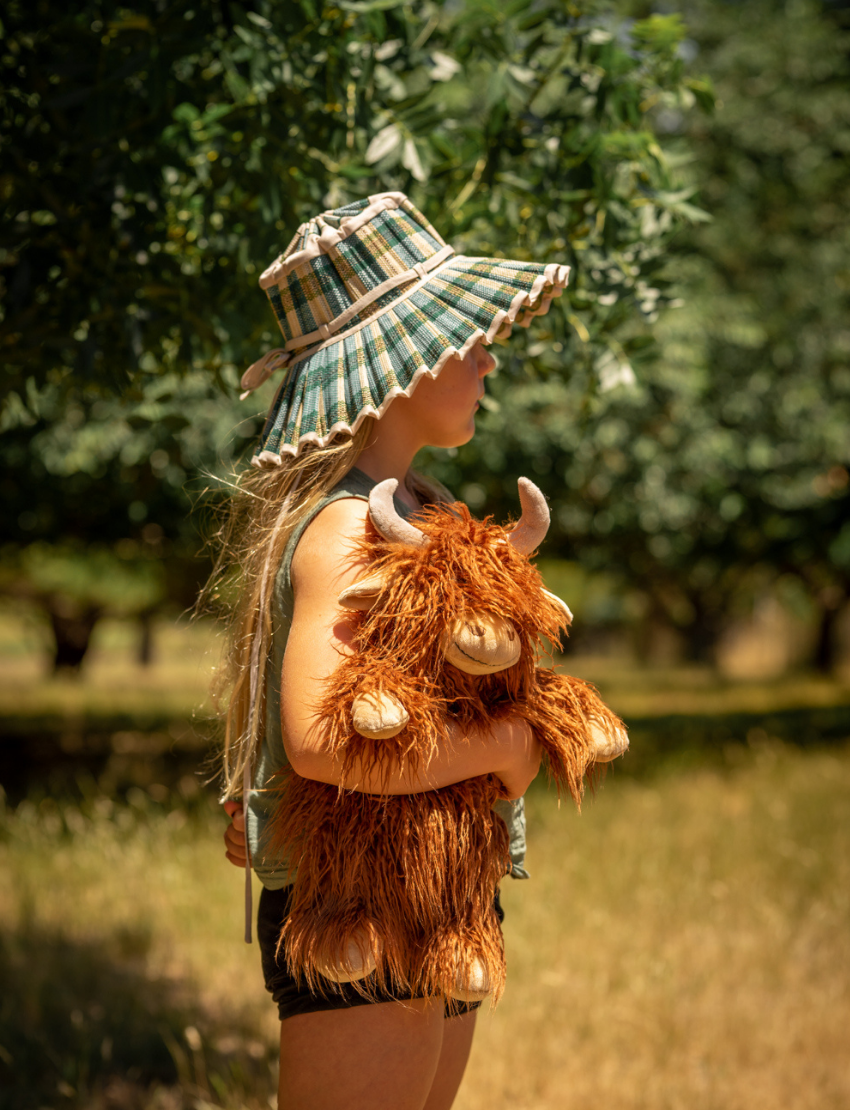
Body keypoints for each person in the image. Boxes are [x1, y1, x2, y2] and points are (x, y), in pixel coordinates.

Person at [214, 192, 571, 1110]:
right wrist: (499, 749)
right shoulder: (344, 526)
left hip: (436, 892)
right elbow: (321, 744)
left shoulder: (419, 503)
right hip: (359, 903)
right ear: (405, 363)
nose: (490, 357)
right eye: (471, 337)